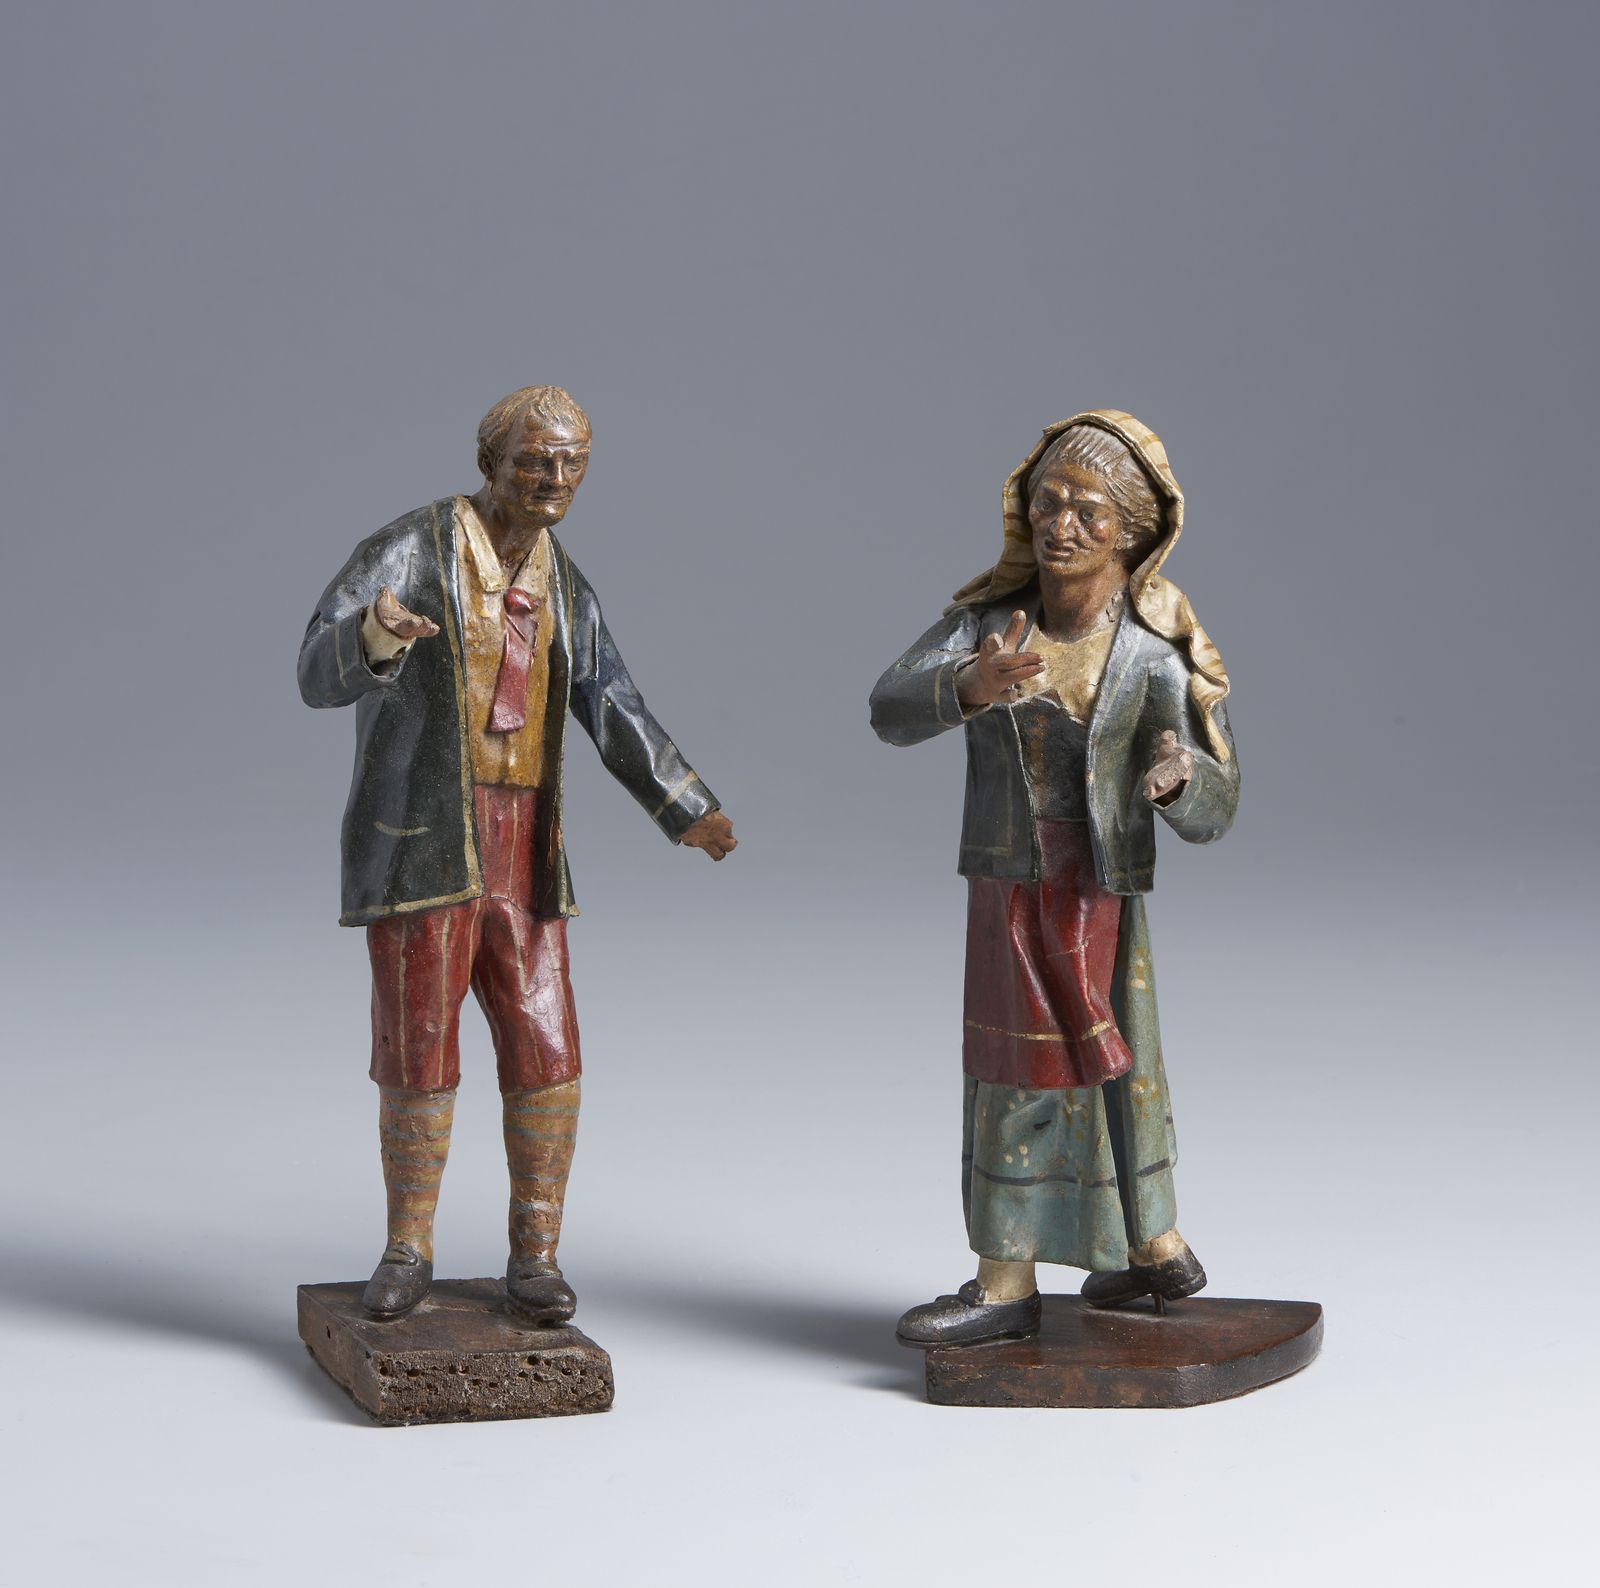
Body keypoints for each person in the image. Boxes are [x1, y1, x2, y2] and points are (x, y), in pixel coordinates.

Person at [298, 385, 736, 1323]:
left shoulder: (563, 580)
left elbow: (610, 700)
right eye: (536, 459)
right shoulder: (411, 549)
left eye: (573, 462)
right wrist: (376, 632)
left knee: (548, 1047)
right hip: (425, 840)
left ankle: (535, 1255)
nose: (555, 478)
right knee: (418, 1045)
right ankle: (407, 1248)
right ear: (489, 461)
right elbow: (312, 670)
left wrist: (686, 806)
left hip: (525, 847)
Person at [869, 409, 1237, 1346]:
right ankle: (1010, 1278)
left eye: (1086, 511)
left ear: (1130, 532)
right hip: (1009, 882)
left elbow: (1219, 797)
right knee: (1016, 1069)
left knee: (1117, 1072)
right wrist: (968, 686)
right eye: (1046, 504)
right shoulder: (988, 625)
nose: (1059, 526)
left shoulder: (1150, 653)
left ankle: (1138, 1244)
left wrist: (1181, 777)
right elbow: (888, 706)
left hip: (1099, 888)